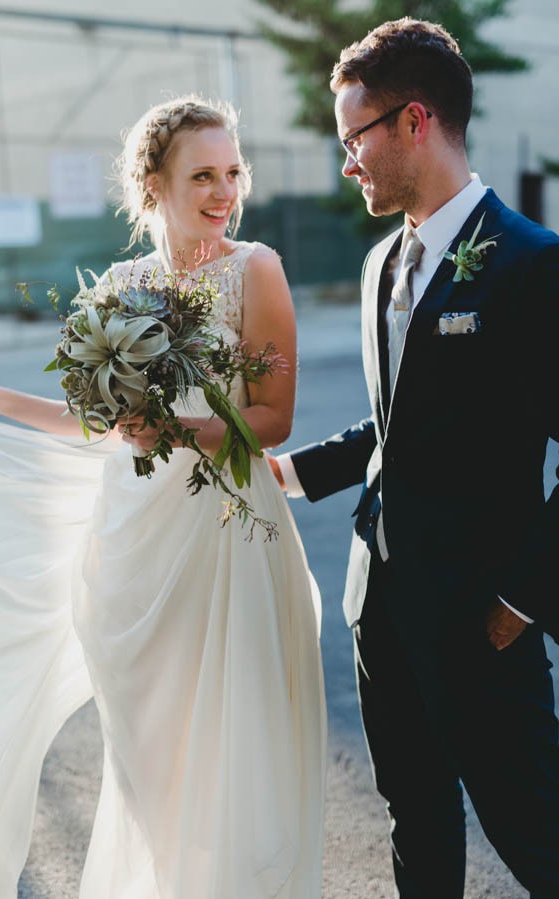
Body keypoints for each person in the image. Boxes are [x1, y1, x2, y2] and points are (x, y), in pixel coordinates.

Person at [0, 96, 326, 899]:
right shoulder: (121, 285)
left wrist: (172, 428)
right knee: (150, 763)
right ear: (151, 184)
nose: (225, 190)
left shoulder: (255, 268)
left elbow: (270, 420)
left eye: (233, 171)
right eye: (203, 174)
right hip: (130, 549)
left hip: (226, 537)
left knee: (235, 757)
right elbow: (97, 419)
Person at [270, 18, 559, 899]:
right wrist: (286, 471)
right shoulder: (376, 265)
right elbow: (403, 422)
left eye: (353, 138)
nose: (346, 162)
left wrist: (522, 599)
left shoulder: (532, 267)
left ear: (414, 121)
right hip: (378, 611)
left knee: (538, 836)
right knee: (415, 823)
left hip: (483, 623)